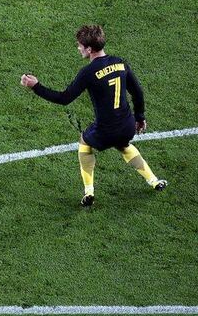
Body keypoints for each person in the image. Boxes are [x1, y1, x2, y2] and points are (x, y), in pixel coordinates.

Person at [21, 25, 167, 206]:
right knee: (123, 144)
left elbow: (64, 98)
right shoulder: (120, 62)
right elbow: (137, 92)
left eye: (80, 45)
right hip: (127, 125)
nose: (78, 48)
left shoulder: (88, 72)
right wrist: (140, 117)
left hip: (105, 131)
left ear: (89, 49)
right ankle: (153, 180)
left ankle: (89, 191)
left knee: (84, 142)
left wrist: (35, 86)